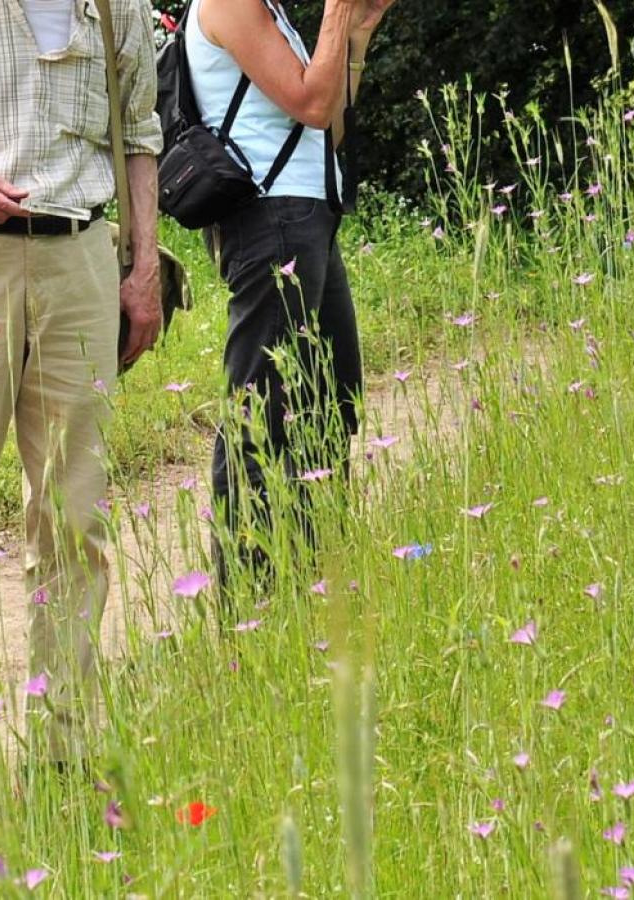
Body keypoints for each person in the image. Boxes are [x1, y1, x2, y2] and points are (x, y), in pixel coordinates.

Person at [0, 0, 163, 779]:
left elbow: (141, 137)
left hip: (80, 256)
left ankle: (66, 742)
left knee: (75, 511)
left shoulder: (121, 6)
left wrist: (142, 269)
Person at [187, 0, 392, 590]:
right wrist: (335, 13)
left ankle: (313, 576)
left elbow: (331, 124)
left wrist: (356, 34)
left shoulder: (273, 13)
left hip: (308, 217)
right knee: (261, 410)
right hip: (269, 221)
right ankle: (248, 598)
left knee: (328, 402)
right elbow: (312, 103)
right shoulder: (230, 4)